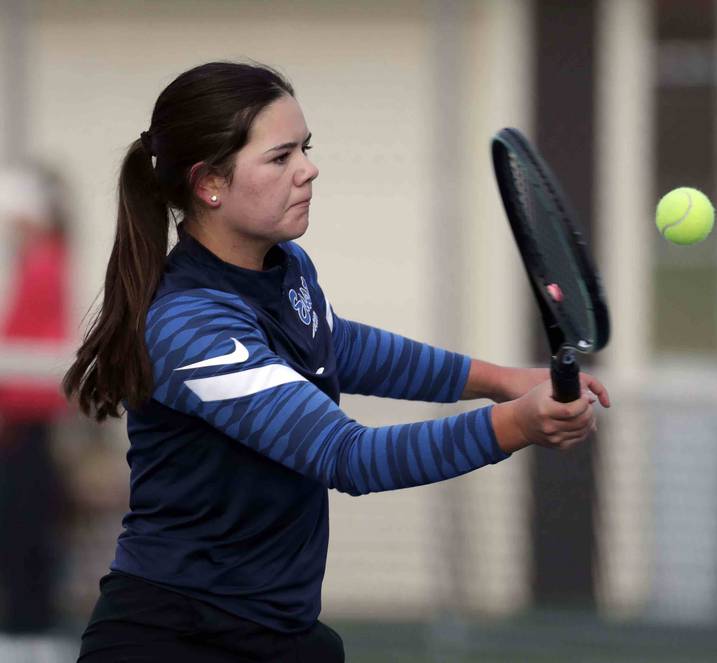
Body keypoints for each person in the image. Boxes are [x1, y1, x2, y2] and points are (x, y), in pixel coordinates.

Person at [63, 61, 610, 662]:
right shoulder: (191, 326)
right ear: (209, 184)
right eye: (280, 157)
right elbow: (348, 458)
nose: (309, 169)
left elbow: (339, 346)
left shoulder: (286, 266)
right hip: (174, 638)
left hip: (281, 632)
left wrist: (502, 381)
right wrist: (518, 424)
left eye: (307, 148)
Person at [0, 164, 71, 633]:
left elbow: (28, 343)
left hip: (25, 421)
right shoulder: (38, 260)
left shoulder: (42, 262)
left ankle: (30, 626)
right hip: (23, 420)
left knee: (26, 529)